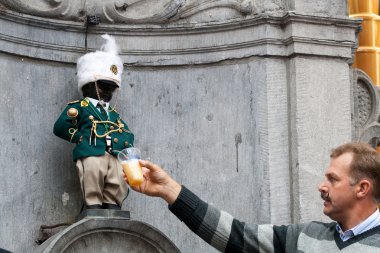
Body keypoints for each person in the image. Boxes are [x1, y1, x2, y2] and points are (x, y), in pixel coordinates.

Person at [124, 142, 380, 252]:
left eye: (333, 179)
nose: (321, 187)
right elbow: (235, 236)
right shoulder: (306, 236)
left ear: (362, 188)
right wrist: (169, 190)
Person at [54, 34, 134, 210]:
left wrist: (125, 148)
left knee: (118, 177)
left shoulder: (112, 113)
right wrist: (78, 138)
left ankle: (112, 205)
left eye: (111, 89)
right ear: (89, 84)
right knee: (92, 173)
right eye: (103, 87)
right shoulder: (79, 107)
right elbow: (60, 126)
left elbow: (127, 134)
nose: (107, 93)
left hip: (114, 154)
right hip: (91, 151)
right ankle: (93, 206)